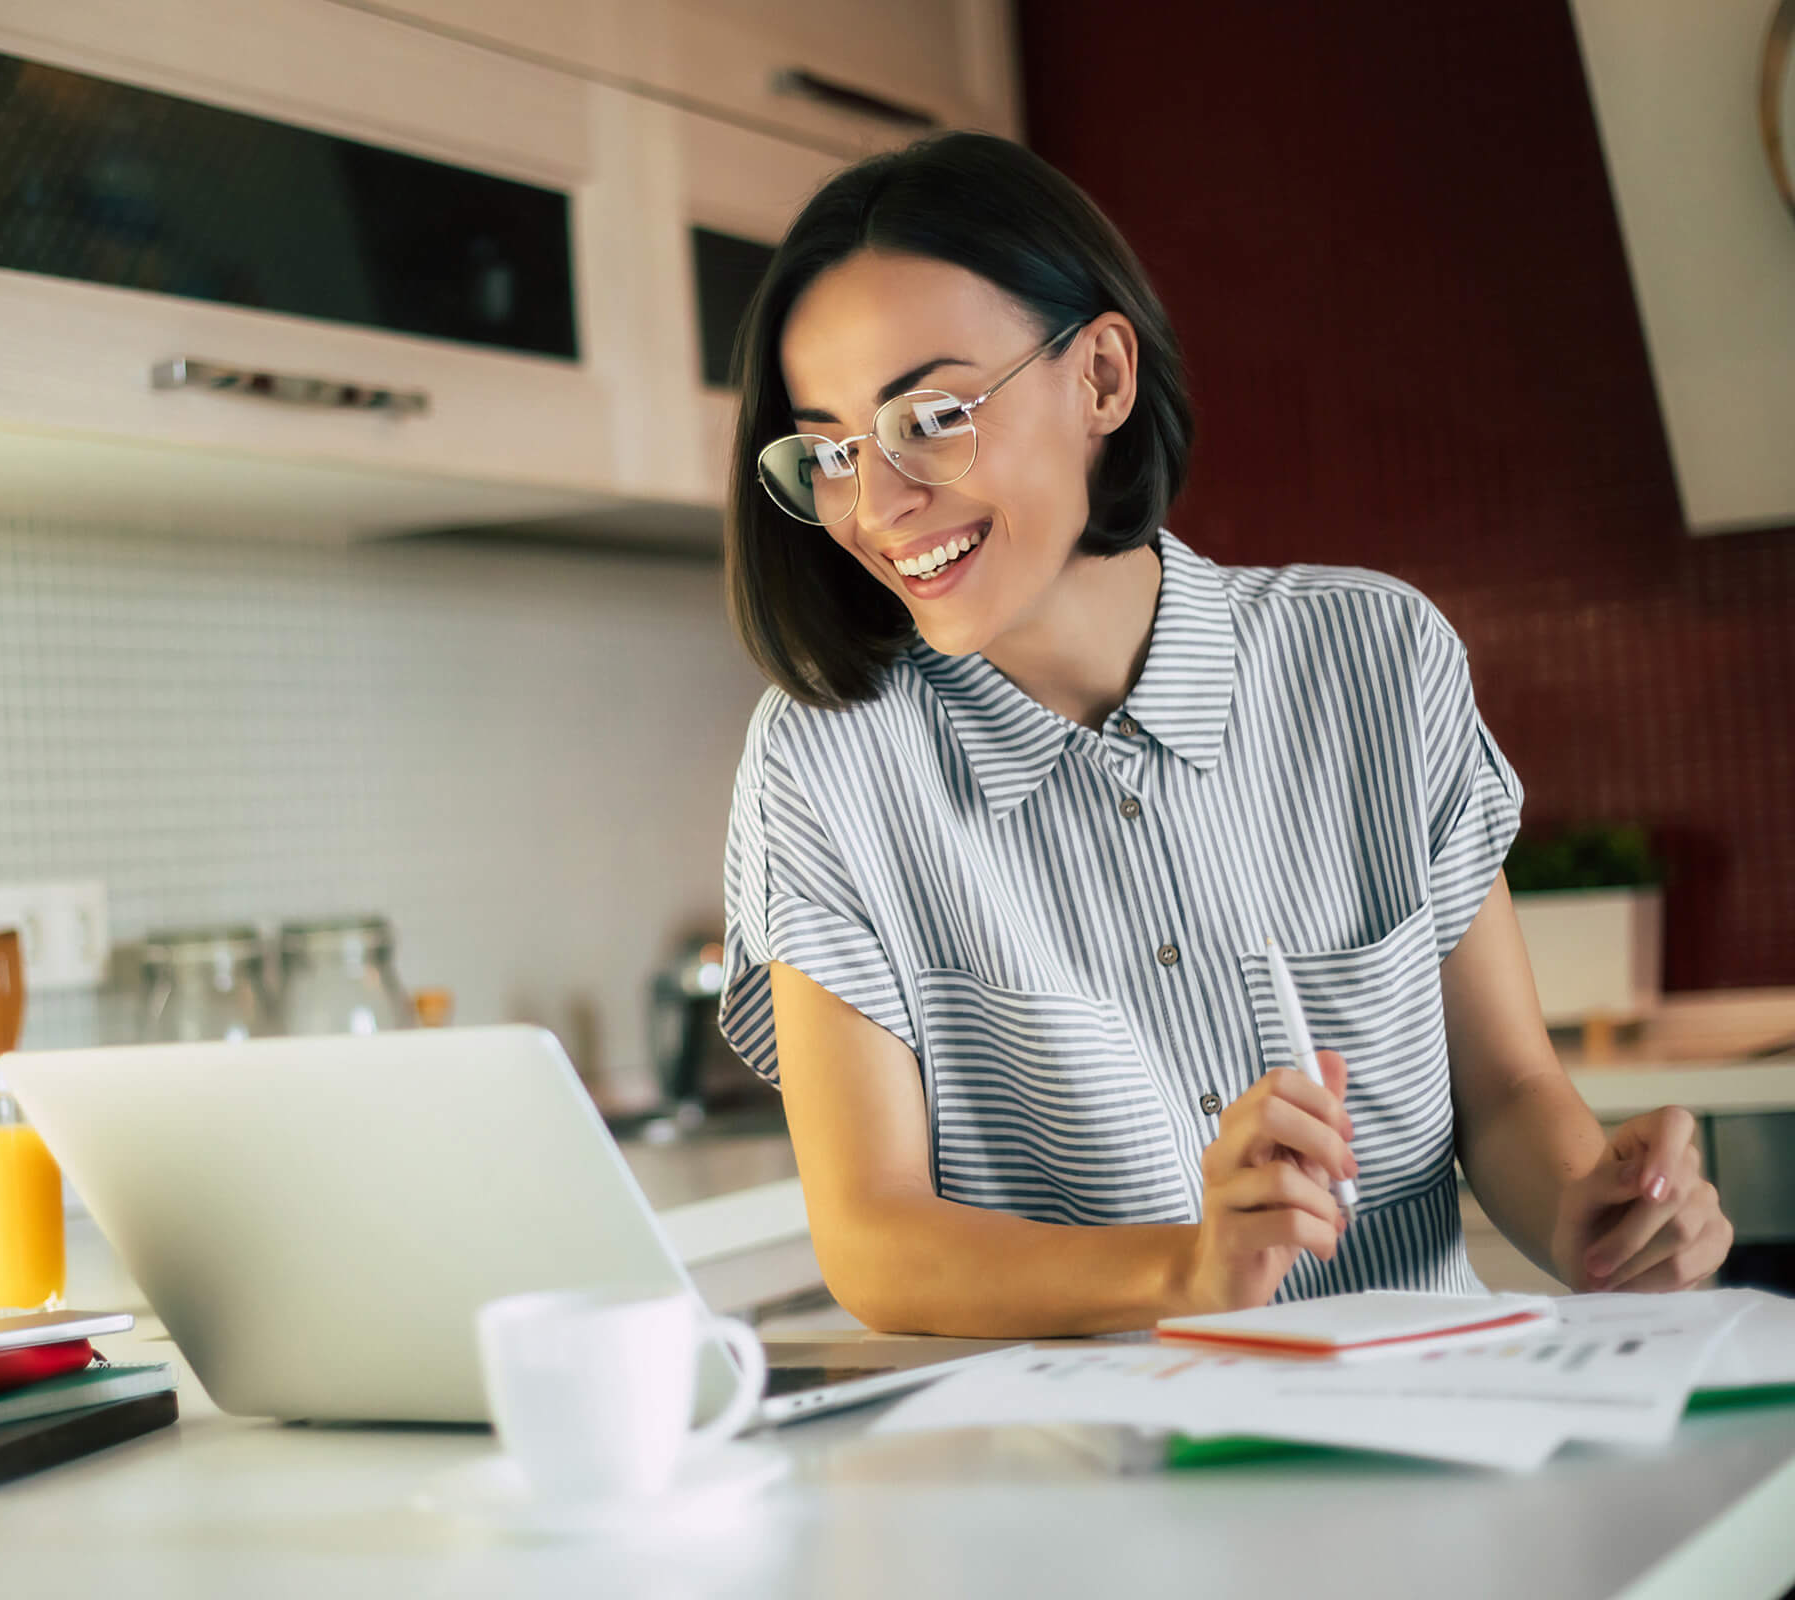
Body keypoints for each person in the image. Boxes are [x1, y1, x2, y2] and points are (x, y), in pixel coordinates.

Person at [714, 132, 1733, 1337]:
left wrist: (1591, 1213)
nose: (875, 505)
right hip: (1072, 1483)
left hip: (1419, 1431)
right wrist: (1181, 1272)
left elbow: (1506, 1090)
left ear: (1099, 377)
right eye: (830, 450)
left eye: (928, 417)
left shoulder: (1373, 660)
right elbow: (874, 1238)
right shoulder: (824, 761)